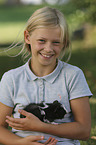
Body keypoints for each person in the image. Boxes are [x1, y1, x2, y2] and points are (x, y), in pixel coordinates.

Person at [0, 6, 92, 145]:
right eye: (42, 41)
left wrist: (41, 126)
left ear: (64, 43)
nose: (48, 49)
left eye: (56, 42)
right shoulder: (11, 79)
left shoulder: (73, 75)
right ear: (27, 37)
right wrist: (22, 143)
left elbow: (84, 130)